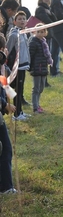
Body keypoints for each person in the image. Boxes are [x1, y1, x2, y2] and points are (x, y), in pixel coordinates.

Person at [0, 33, 18, 194]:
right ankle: (6, 186)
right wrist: (5, 104)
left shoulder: (2, 67)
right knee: (6, 148)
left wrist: (12, 97)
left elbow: (3, 84)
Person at [6, 11, 31, 121]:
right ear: (15, 21)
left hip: (23, 66)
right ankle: (16, 115)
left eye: (24, 19)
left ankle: (20, 111)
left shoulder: (24, 32)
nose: (22, 20)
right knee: (16, 91)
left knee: (20, 90)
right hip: (17, 67)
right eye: (19, 19)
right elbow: (8, 49)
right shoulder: (14, 34)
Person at [35, 0, 58, 87]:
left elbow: (55, 20)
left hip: (47, 35)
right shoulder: (40, 9)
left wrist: (50, 13)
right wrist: (49, 15)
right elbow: (49, 22)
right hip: (42, 36)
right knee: (43, 58)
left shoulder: (47, 9)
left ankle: (45, 81)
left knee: (46, 57)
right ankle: (44, 81)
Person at [29, 24, 53, 114]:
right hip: (36, 68)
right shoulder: (33, 42)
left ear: (45, 33)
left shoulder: (44, 42)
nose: (40, 33)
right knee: (36, 88)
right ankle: (35, 107)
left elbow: (47, 55)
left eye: (42, 32)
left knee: (41, 87)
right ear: (35, 32)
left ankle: (38, 104)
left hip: (43, 67)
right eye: (38, 31)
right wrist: (30, 67)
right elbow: (30, 55)